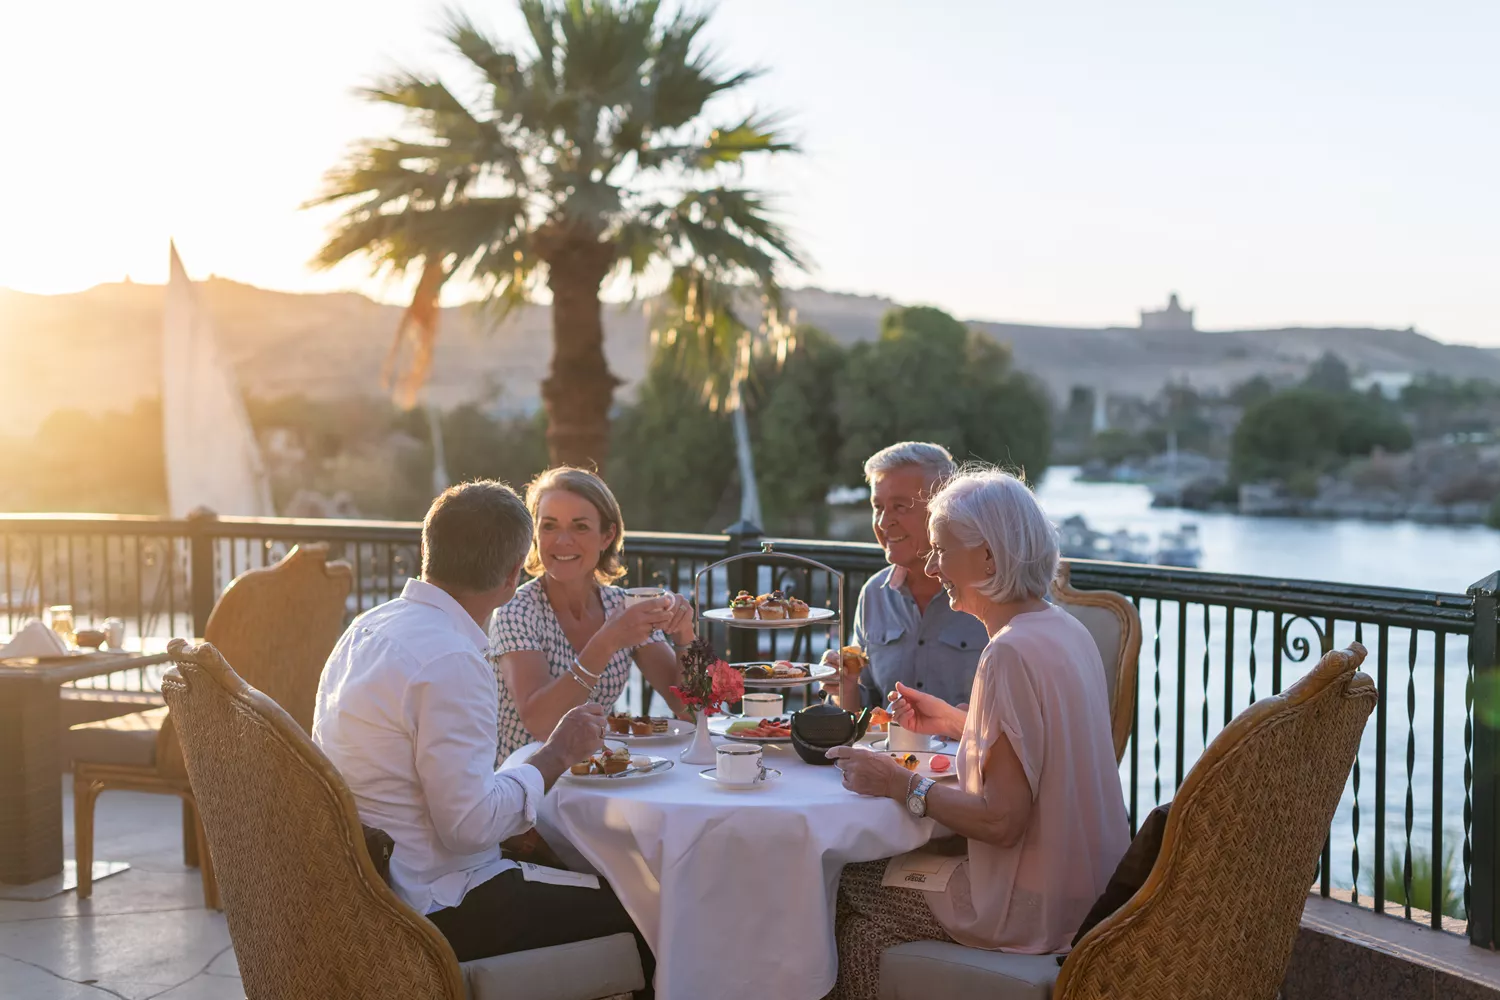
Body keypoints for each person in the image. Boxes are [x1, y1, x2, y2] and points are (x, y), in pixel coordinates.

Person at [311, 481, 653, 988]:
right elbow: (468, 827)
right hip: (433, 903)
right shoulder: (452, 659)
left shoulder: (368, 627)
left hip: (367, 888)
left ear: (431, 548)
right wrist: (556, 753)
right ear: (515, 572)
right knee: (649, 914)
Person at [824, 469, 1130, 1000]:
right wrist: (952, 719)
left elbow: (1001, 821)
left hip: (1027, 907)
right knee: (867, 932)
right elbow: (1046, 746)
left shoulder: (1007, 652)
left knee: (843, 883)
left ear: (988, 558)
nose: (932, 564)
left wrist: (897, 782)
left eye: (943, 550)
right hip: (1091, 895)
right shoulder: (1062, 628)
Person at [489, 467, 695, 762]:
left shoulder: (621, 606)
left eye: (580, 527)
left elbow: (688, 707)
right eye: (549, 526)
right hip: (526, 788)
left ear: (607, 535)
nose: (562, 541)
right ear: (535, 534)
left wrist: (684, 635)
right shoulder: (515, 611)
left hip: (601, 778)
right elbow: (542, 724)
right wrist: (606, 641)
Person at [826, 442, 988, 710]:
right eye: (878, 507)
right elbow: (862, 710)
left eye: (900, 507)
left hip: (972, 752)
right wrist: (845, 686)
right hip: (888, 752)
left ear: (945, 511)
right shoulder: (874, 593)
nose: (882, 522)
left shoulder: (997, 593)